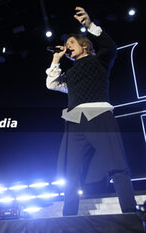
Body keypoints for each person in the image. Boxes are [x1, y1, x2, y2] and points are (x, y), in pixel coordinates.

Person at [45, 7, 136, 216]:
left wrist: (90, 25)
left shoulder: (99, 62)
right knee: (70, 171)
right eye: (66, 45)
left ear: (84, 45)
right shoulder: (69, 73)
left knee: (117, 164)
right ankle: (69, 217)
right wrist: (56, 59)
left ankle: (130, 213)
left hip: (99, 116)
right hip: (75, 121)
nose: (68, 46)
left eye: (72, 43)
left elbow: (111, 47)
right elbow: (51, 84)